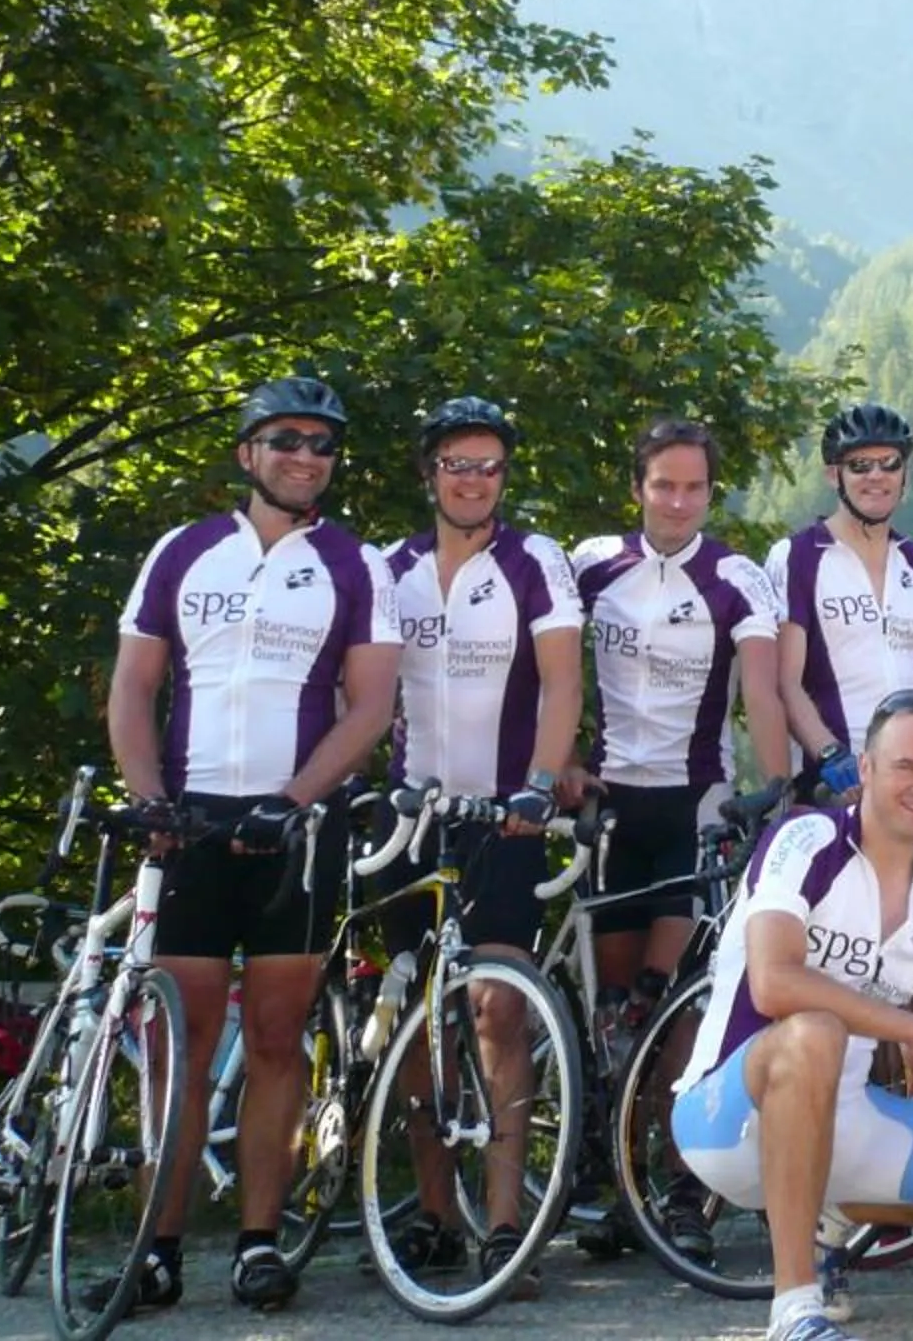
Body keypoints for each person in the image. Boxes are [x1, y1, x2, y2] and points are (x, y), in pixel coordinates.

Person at [103, 375, 397, 1313]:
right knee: (179, 1048)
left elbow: (372, 706)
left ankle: (260, 1243)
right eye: (287, 440)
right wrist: (150, 799)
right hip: (192, 821)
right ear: (247, 453)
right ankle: (159, 1245)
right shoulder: (185, 552)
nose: (306, 456)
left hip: (296, 832)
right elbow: (133, 688)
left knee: (276, 1044)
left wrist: (299, 797)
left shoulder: (355, 565)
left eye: (322, 444)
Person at [664, 690, 913, 1341]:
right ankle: (794, 1309)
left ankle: (835, 1216)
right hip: (730, 1120)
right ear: (867, 770)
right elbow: (773, 983)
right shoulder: (807, 839)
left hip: (843, 1120)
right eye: (905, 767)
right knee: (814, 1031)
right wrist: (902, 1024)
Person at [377, 394, 586, 1285]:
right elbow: (365, 690)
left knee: (498, 1010)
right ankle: (431, 1213)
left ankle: (505, 1224)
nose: (473, 480)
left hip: (505, 818)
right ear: (430, 474)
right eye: (457, 464)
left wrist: (538, 787)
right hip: (411, 821)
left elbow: (563, 680)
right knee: (419, 1025)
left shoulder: (535, 561)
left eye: (488, 466)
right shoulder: (389, 567)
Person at [568, 418, 785, 1130]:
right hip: (609, 805)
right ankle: (608, 1162)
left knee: (669, 999)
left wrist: (777, 797)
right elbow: (545, 670)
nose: (679, 502)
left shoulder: (735, 577)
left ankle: (681, 1177)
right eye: (664, 486)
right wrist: (560, 761)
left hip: (695, 803)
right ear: (637, 487)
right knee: (613, 1010)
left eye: (695, 488)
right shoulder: (591, 564)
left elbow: (763, 692)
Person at [770, 404, 913, 799]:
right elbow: (785, 681)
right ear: (833, 474)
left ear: (904, 473)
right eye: (859, 465)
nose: (876, 476)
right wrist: (830, 755)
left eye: (889, 463)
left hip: (912, 783)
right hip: (831, 783)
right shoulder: (799, 556)